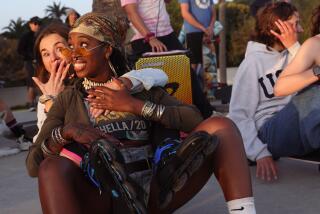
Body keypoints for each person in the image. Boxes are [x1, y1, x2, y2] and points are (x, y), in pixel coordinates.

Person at [26, 12, 256, 214]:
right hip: (103, 197)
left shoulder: (138, 88)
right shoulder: (68, 99)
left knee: (222, 127)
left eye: (84, 45)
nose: (74, 53)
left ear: (107, 50)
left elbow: (195, 119)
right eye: (71, 45)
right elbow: (33, 164)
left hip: (156, 191)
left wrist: (135, 106)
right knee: (51, 167)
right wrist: (68, 132)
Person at [31, 22, 169, 142]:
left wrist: (125, 81)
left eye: (59, 49)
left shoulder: (98, 75)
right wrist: (51, 104)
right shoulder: (46, 98)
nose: (53, 58)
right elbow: (41, 148)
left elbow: (160, 75)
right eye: (46, 54)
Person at [228, 2, 303, 181]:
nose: (300, 29)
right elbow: (239, 115)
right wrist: (259, 152)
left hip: (293, 123)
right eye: (295, 24)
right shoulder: (253, 63)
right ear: (278, 28)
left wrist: (294, 48)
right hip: (268, 130)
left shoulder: (293, 55)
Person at [121, 0, 215, 119]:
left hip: (167, 33)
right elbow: (131, 13)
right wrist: (150, 37)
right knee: (149, 80)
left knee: (187, 71)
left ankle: (206, 114)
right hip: (144, 37)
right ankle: (154, 122)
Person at [179, 0, 216, 82]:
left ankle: (208, 92)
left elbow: (213, 14)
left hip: (208, 33)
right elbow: (184, 13)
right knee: (193, 63)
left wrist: (211, 27)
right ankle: (193, 91)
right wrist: (203, 28)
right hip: (193, 32)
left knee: (209, 64)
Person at [17, 16, 41, 111]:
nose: (37, 25)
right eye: (35, 23)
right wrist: (30, 57)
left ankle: (43, 102)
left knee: (42, 81)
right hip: (29, 62)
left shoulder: (41, 35)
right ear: (30, 24)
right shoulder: (25, 36)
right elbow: (20, 50)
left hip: (40, 62)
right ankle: (31, 104)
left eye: (38, 23)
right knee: (31, 82)